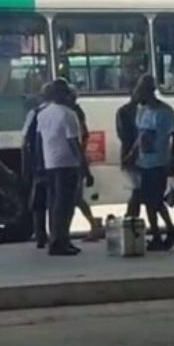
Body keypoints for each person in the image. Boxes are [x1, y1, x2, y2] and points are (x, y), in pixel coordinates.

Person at [36, 80, 86, 256]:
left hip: (50, 164)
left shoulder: (42, 114)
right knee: (66, 206)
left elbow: (39, 141)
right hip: (67, 163)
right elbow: (73, 142)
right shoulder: (68, 114)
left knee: (54, 204)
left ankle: (59, 239)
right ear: (62, 94)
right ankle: (60, 241)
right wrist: (84, 165)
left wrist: (40, 165)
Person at [132, 75, 174, 250]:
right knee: (153, 201)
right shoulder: (142, 111)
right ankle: (164, 232)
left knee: (153, 201)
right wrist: (132, 153)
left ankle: (159, 235)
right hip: (144, 161)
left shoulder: (165, 112)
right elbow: (141, 135)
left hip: (159, 162)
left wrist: (172, 158)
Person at [67, 87, 104, 241]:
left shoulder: (73, 113)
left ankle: (94, 225)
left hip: (75, 160)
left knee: (75, 198)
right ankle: (94, 224)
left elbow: (82, 136)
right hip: (76, 159)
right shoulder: (74, 112)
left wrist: (82, 160)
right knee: (76, 198)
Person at [22, 84, 51, 248]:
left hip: (39, 164)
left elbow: (24, 142)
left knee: (39, 202)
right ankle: (52, 235)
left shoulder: (35, 113)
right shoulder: (63, 111)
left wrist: (26, 166)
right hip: (51, 163)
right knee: (54, 201)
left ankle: (41, 235)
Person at [116, 84, 142, 217]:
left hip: (139, 155)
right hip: (131, 155)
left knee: (139, 190)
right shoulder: (124, 111)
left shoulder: (142, 110)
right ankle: (131, 218)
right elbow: (124, 136)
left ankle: (132, 218)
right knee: (137, 189)